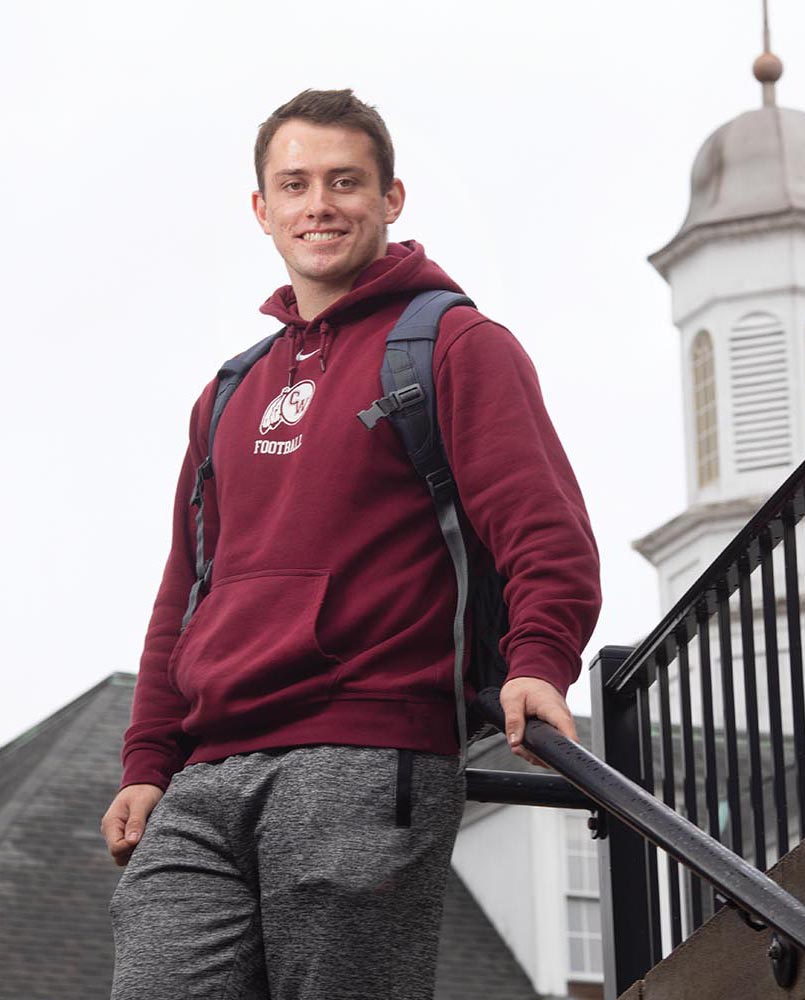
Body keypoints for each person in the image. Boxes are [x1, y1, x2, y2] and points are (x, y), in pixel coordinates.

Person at [101, 88, 601, 1000]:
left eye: (344, 182)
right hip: (204, 781)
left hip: (367, 754)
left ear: (391, 198)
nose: (318, 204)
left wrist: (539, 659)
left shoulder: (454, 345)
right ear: (262, 209)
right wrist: (147, 761)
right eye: (294, 184)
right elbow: (185, 593)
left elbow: (543, 528)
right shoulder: (227, 393)